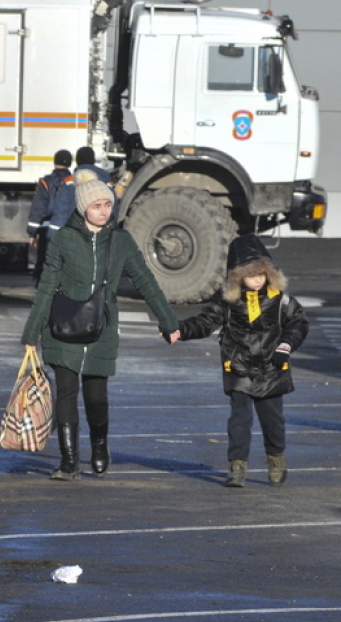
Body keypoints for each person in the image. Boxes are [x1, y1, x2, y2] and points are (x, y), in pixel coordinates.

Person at [22, 170, 178, 481]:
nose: (104, 211)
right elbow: (47, 285)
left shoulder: (120, 241)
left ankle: (99, 447)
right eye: (97, 206)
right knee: (66, 392)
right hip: (62, 327)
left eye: (108, 205)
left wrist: (167, 320)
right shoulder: (64, 239)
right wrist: (31, 334)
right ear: (83, 208)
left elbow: (145, 281)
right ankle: (69, 462)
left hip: (101, 329)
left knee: (96, 396)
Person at [168, 235, 309, 488]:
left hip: (272, 369)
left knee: (273, 422)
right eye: (250, 274)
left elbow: (299, 323)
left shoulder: (281, 299)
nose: (257, 279)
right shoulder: (228, 301)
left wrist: (285, 346)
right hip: (239, 368)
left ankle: (275, 457)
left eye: (261, 273)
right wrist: (181, 330)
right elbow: (205, 322)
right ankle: (237, 466)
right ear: (236, 276)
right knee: (239, 421)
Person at [26, 149, 73, 285]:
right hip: (67, 229)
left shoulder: (46, 182)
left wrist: (32, 233)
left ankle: (41, 291)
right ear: (70, 163)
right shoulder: (74, 182)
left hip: (46, 230)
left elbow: (38, 208)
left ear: (55, 162)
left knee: (44, 261)